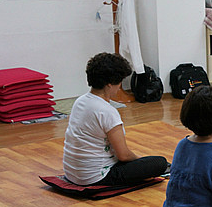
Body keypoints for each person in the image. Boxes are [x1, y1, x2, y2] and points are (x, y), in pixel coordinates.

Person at [63, 52, 168, 186]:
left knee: (143, 163)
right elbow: (123, 155)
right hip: (95, 177)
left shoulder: (80, 101)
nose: (119, 87)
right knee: (159, 163)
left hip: (72, 173)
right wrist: (139, 162)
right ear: (109, 84)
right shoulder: (107, 111)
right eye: (119, 83)